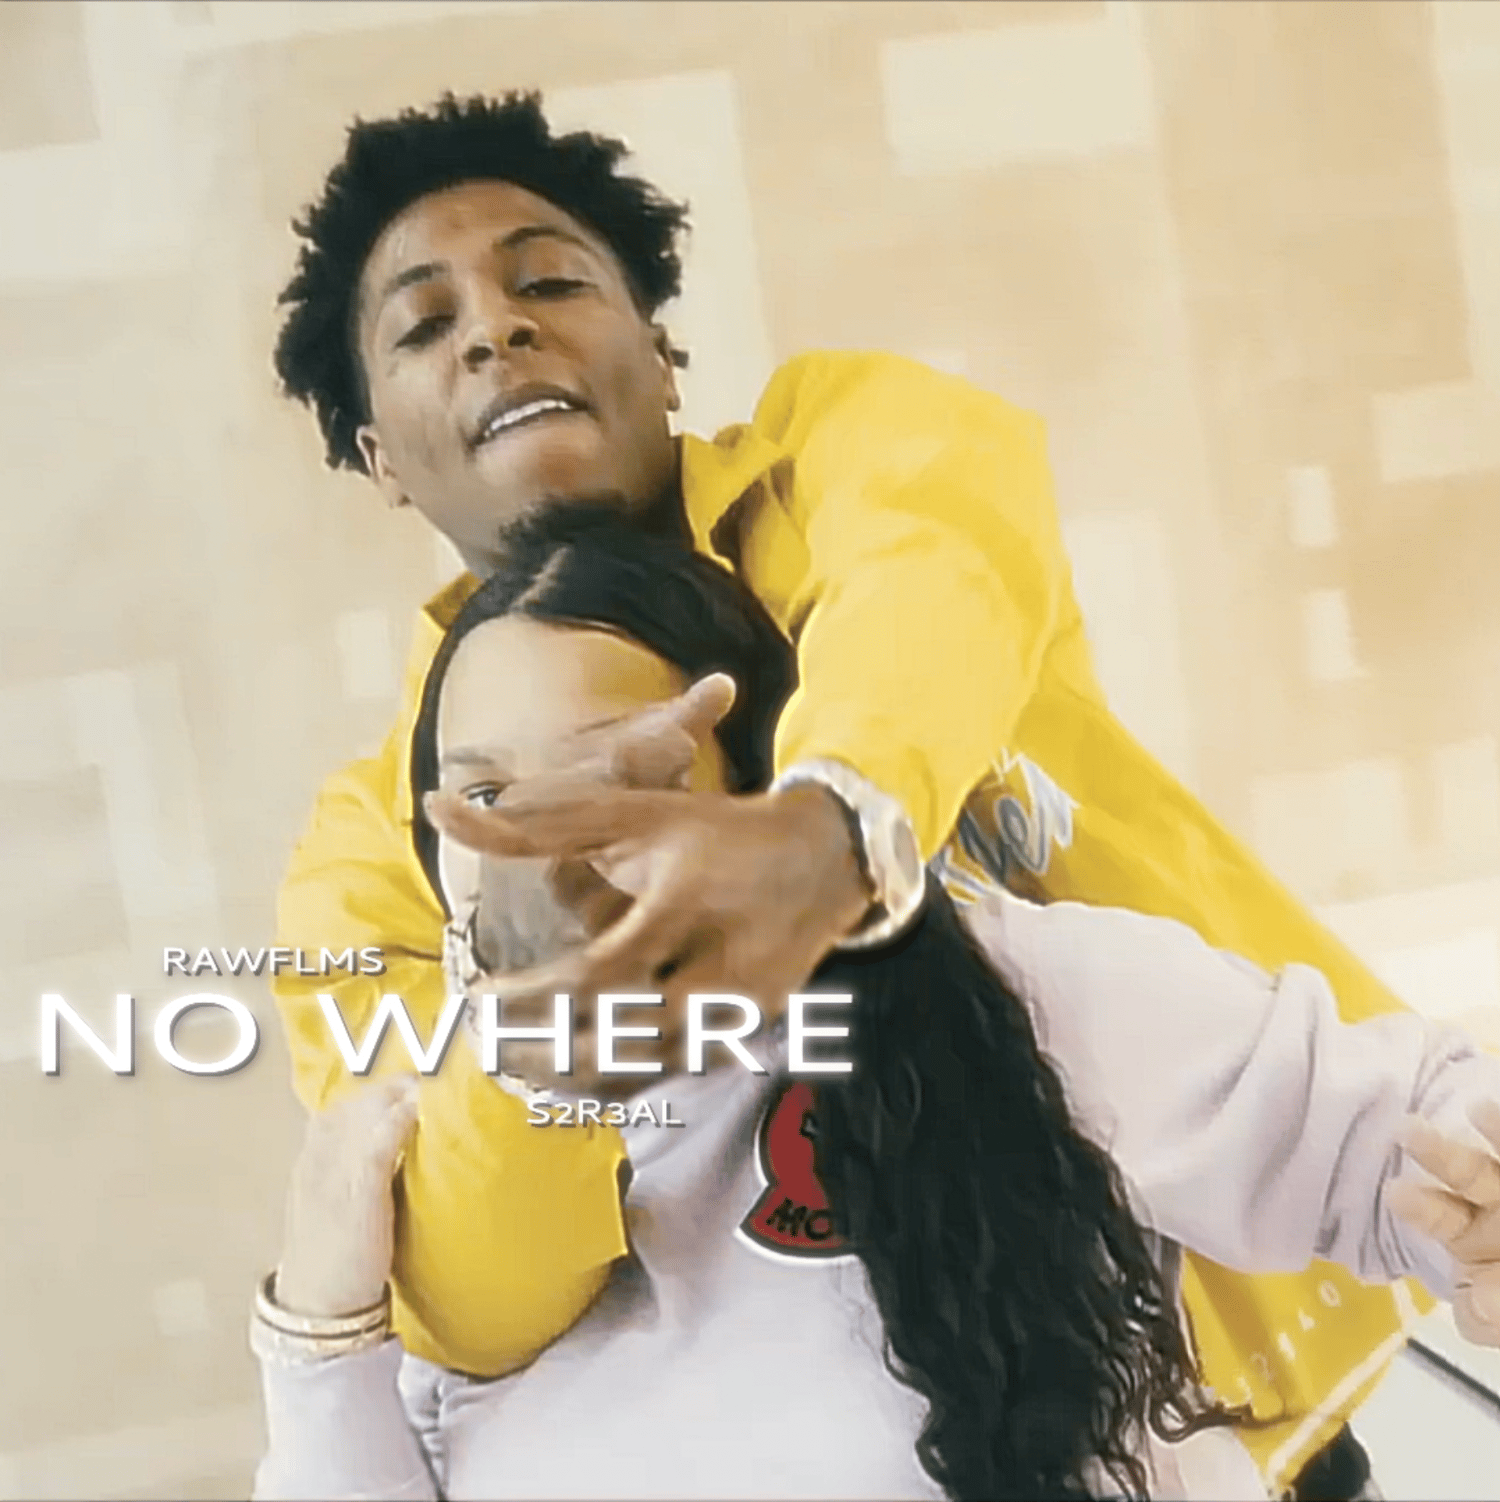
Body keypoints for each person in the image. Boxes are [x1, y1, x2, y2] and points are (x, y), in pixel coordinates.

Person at [268, 90, 1439, 1494]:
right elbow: (466, 1295)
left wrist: (832, 826)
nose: (495, 330)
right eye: (422, 324)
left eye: (551, 283)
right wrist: (543, 1001)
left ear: (662, 353)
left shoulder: (851, 455)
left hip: (1214, 1354)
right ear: (379, 458)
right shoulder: (371, 853)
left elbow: (936, 573)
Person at [250, 515, 1500, 1502]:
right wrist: (318, 1329)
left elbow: (1409, 1137)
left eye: (617, 770)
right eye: (484, 798)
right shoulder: (424, 1169)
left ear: (751, 784)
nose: (546, 844)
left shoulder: (995, 990)